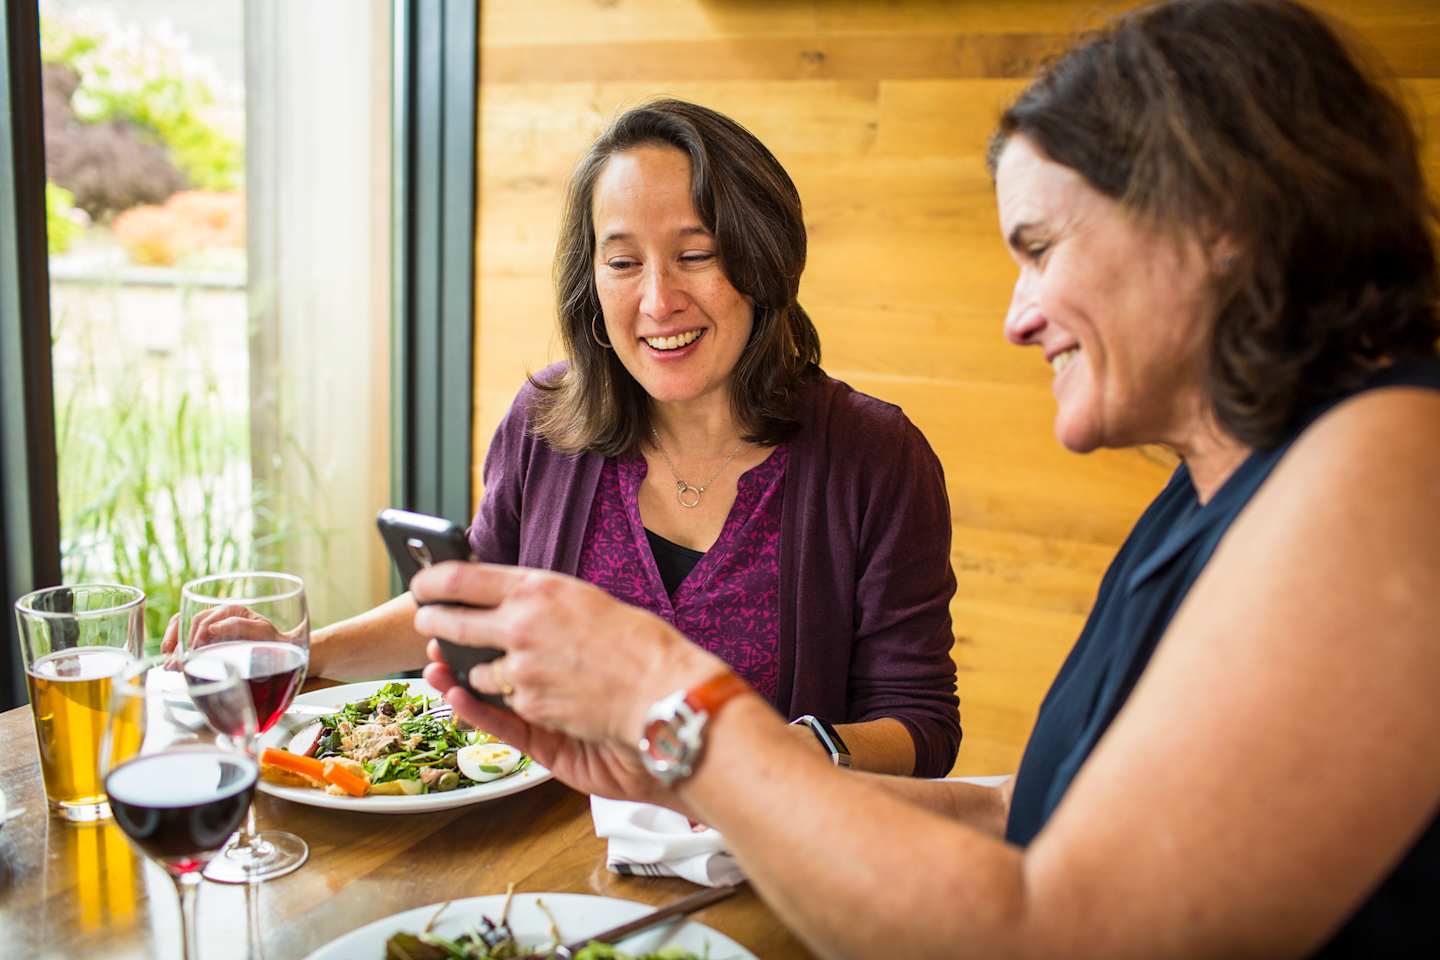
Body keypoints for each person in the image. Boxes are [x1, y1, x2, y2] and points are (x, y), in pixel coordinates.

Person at [409, 1, 1440, 956]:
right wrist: (693, 782)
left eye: (1041, 248)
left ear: (1219, 224)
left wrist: (671, 702)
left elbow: (1057, 931)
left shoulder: (1391, 469)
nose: (1018, 317)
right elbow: (1021, 812)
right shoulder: (1231, 484)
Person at [294, 100, 960, 777]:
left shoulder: (876, 456)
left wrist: (781, 759)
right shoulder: (545, 420)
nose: (658, 300)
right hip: (547, 831)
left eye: (695, 255)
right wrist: (300, 652)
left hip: (756, 840)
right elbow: (467, 605)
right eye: (622, 262)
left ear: (764, 260)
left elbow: (920, 722)